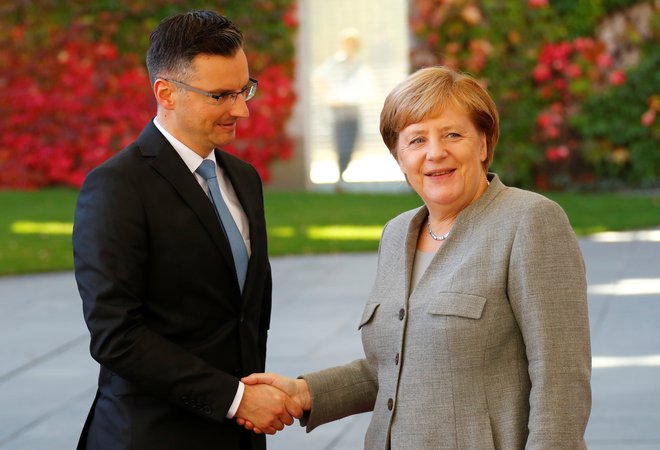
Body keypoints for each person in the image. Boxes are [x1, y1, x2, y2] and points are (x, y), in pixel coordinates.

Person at [241, 66, 592, 449]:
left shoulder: (529, 221)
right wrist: (304, 393)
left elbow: (561, 376)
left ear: (484, 144)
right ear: (399, 156)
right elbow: (392, 368)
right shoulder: (397, 233)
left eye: (453, 134)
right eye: (416, 140)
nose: (435, 152)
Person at [72, 10, 301, 450]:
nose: (242, 109)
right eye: (221, 95)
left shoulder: (245, 178)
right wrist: (236, 400)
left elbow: (242, 316)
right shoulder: (116, 187)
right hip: (150, 436)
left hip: (239, 437)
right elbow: (115, 334)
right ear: (166, 93)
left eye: (244, 89)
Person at [313, 27, 372, 188]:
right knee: (342, 144)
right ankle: (340, 178)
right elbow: (318, 77)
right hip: (340, 110)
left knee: (352, 143)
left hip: (353, 109)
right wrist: (329, 96)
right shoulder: (336, 62)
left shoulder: (359, 63)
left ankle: (343, 176)